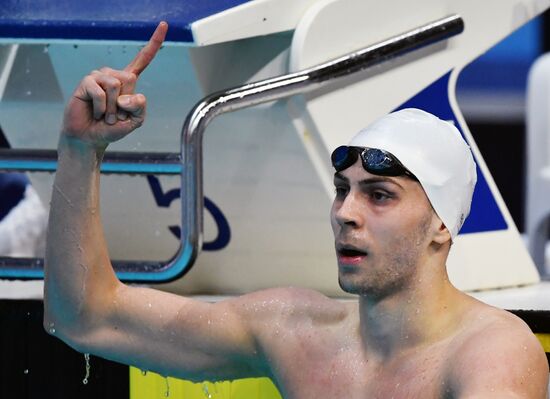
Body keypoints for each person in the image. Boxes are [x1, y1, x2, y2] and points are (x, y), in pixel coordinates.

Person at [44, 22, 549, 398]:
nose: (346, 213)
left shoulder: (491, 351)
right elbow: (85, 317)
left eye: (379, 195)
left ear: (441, 223)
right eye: (342, 190)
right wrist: (79, 149)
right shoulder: (294, 331)